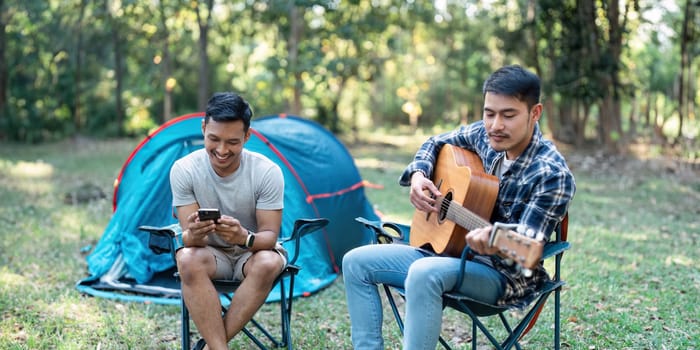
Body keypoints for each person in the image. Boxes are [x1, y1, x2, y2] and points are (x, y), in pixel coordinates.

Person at [343, 65, 576, 349]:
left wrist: (494, 239)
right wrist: (418, 176)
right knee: (355, 262)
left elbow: (528, 248)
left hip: (504, 277)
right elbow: (434, 142)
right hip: (451, 254)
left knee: (424, 272)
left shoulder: (551, 174)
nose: (495, 125)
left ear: (535, 113)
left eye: (508, 115)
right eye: (489, 113)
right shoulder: (485, 136)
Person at [169, 92, 286, 350]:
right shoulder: (184, 170)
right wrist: (196, 233)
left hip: (252, 254)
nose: (222, 151)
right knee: (186, 258)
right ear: (203, 128)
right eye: (213, 139)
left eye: (232, 142)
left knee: (268, 261)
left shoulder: (267, 172)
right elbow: (187, 238)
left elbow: (270, 237)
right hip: (211, 255)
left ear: (247, 136)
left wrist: (244, 237)